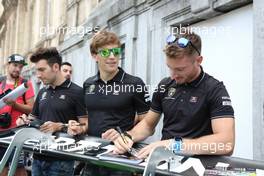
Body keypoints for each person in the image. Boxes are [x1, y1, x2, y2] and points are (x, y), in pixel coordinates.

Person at [113, 31, 235, 159]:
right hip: (163, 163)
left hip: (196, 166)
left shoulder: (215, 89)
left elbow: (226, 144)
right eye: (169, 67)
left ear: (198, 61)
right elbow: (148, 125)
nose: (173, 75)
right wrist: (128, 136)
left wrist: (174, 145)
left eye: (180, 69)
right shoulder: (165, 85)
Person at [68, 30, 150, 175]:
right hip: (91, 157)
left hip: (120, 160)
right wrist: (79, 128)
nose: (112, 57)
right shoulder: (88, 84)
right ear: (95, 55)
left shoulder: (134, 83)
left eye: (116, 52)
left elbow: (148, 124)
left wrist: (125, 135)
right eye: (106, 53)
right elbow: (90, 121)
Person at [16, 47, 88, 176]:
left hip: (61, 161)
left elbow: (86, 125)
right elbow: (33, 118)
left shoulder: (77, 92)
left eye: (42, 70)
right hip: (37, 158)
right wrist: (24, 120)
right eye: (37, 70)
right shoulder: (43, 91)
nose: (38, 75)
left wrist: (60, 126)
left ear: (55, 67)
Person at [0, 54, 35, 176]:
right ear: (7, 65)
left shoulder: (25, 84)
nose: (18, 69)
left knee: (18, 169)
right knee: (1, 168)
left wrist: (14, 105)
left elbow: (31, 109)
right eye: (15, 65)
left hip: (17, 134)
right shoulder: (0, 82)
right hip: (0, 134)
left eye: (20, 67)